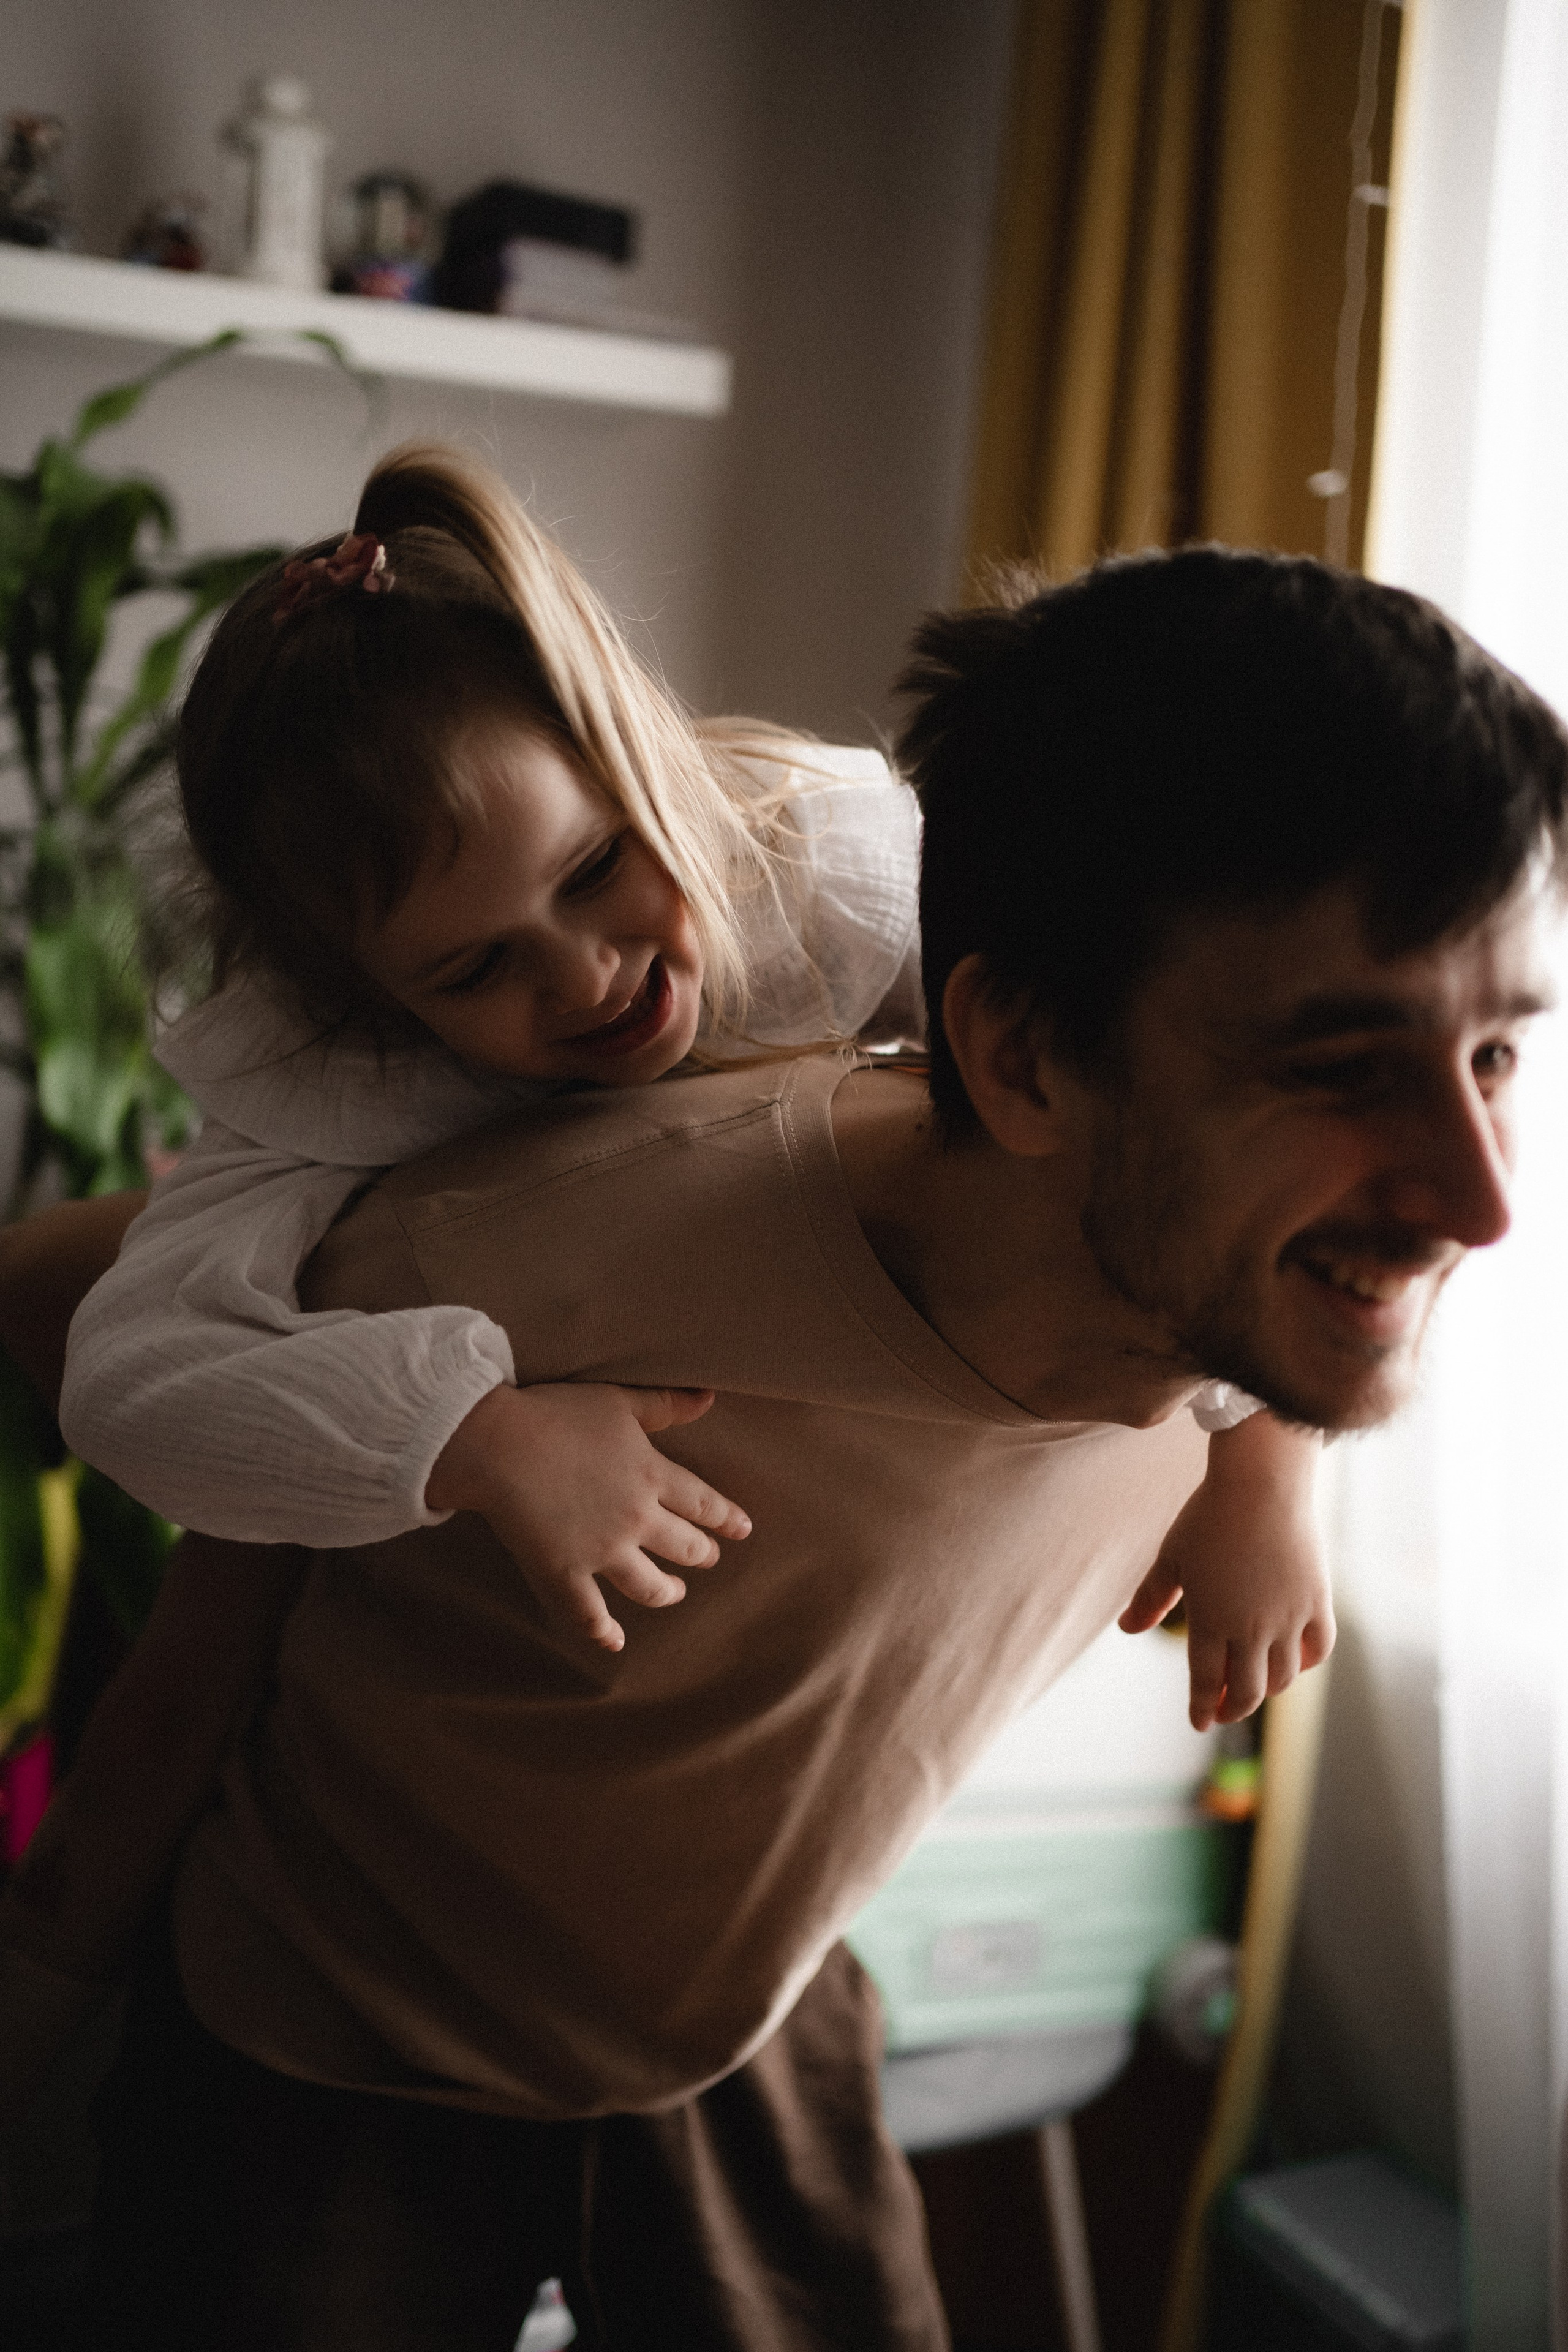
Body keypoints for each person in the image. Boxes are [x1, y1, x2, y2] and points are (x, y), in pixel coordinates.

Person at [11, 544, 1561, 2350]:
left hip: (735, 2007)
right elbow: (97, 1332)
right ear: (1026, 1061)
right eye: (1330, 1067)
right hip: (340, 2020)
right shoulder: (501, 1247)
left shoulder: (1215, 1280)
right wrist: (466, 1437)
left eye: (1506, 1055)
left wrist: (1272, 1454)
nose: (1486, 1206)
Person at [57, 442, 1325, 1716]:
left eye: (595, 867)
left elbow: (1171, 1096)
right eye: (475, 969)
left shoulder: (830, 888)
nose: (584, 976)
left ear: (639, 756)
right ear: (364, 995)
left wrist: (1263, 1470)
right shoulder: (336, 1066)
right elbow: (128, 1380)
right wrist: (479, 1439)